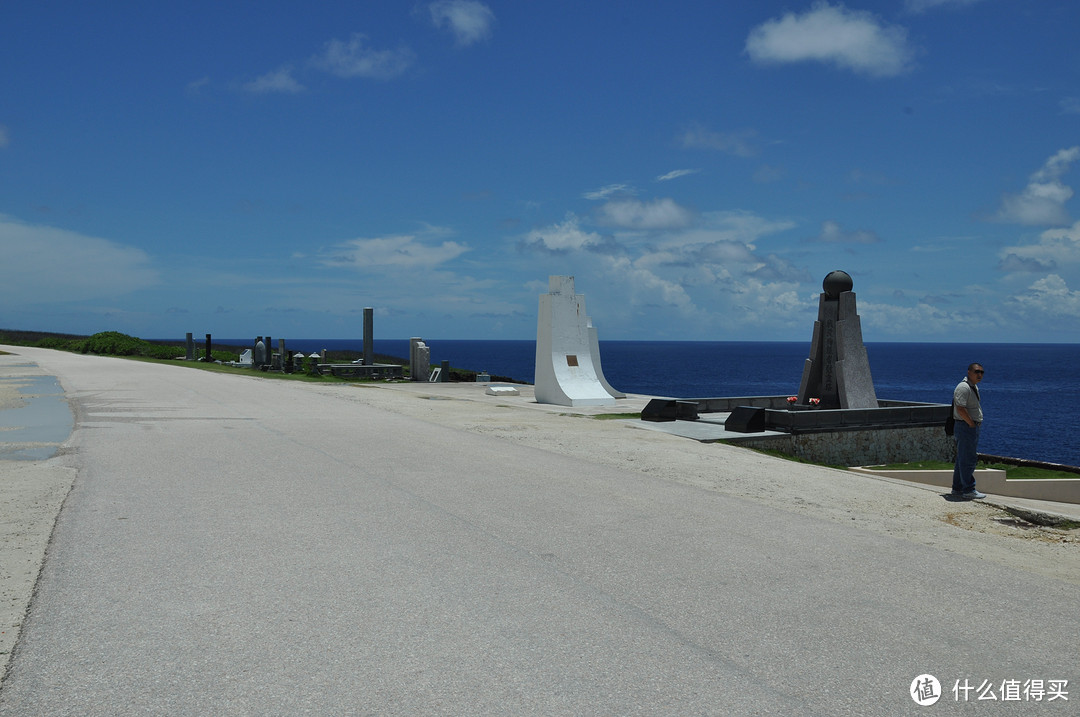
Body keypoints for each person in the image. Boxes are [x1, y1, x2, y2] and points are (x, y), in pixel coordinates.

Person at [951, 363, 986, 500]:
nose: (980, 375)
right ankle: (969, 489)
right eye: (977, 371)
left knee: (962, 459)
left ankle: (958, 488)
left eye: (982, 372)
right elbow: (960, 408)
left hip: (969, 426)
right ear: (969, 372)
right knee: (968, 459)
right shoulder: (963, 387)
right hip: (965, 427)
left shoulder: (973, 387)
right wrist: (971, 423)